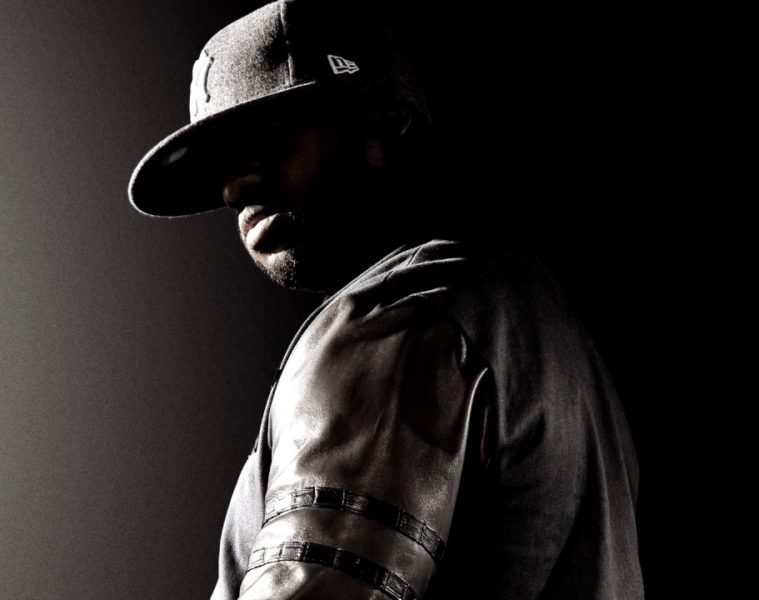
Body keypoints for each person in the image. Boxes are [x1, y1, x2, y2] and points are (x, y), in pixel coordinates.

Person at [129, 1, 644, 598]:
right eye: (221, 161)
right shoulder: (542, 330)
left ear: (388, 118)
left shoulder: (392, 322)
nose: (233, 187)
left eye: (269, 131)